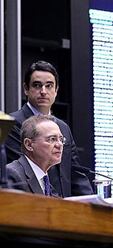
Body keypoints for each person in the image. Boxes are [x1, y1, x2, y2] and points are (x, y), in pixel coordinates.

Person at [4, 60, 93, 197]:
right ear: (26, 89)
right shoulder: (13, 123)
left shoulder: (63, 127)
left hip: (65, 207)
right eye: (37, 85)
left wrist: (93, 204)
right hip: (34, 203)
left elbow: (75, 172)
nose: (43, 91)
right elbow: (28, 169)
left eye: (49, 86)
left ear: (56, 91)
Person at [6, 115, 64, 196]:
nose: (59, 145)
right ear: (29, 145)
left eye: (61, 139)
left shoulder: (46, 181)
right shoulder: (12, 174)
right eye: (52, 139)